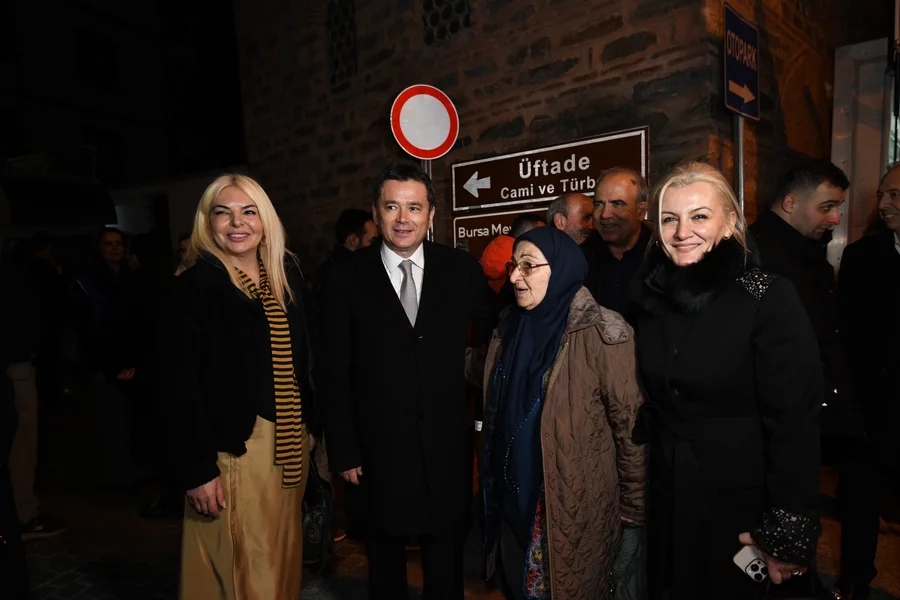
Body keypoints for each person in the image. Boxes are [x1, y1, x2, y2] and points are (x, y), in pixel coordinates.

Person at [633, 162, 823, 599]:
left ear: (730, 222)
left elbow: (795, 423)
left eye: (699, 216)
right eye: (669, 218)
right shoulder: (653, 299)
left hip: (741, 505)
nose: (683, 231)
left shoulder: (766, 295)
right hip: (670, 494)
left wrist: (786, 532)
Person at [320, 163, 497, 599]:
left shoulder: (460, 269)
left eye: (414, 207)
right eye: (392, 207)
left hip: (445, 446)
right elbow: (332, 368)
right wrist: (343, 447)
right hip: (376, 449)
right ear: (376, 213)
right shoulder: (344, 277)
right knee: (384, 563)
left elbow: (500, 328)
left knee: (445, 559)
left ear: (431, 215)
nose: (403, 218)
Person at [166, 174, 318, 599]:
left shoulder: (285, 278)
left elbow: (304, 360)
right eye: (224, 212)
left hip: (287, 448)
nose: (238, 222)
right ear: (207, 222)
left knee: (280, 561)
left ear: (265, 219)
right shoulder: (194, 288)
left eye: (249, 211)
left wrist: (307, 423)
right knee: (241, 570)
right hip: (232, 452)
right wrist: (197, 469)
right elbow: (179, 386)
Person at [480, 226, 647, 600]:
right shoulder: (508, 327)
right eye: (512, 266)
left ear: (561, 268)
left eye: (528, 266)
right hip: (511, 502)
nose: (515, 277)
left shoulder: (602, 333)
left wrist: (634, 512)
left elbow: (630, 430)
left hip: (569, 508)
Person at [748, 161, 869, 597]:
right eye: (827, 207)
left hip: (815, 408)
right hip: (776, 418)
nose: (835, 218)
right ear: (790, 202)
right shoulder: (755, 254)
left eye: (838, 207)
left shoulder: (809, 253)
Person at [835, 163, 900, 600]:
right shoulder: (861, 256)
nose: (883, 204)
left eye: (894, 194)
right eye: (881, 195)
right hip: (869, 409)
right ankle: (854, 582)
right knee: (860, 504)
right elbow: (846, 334)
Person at [71, 228, 151, 491]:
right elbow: (87, 332)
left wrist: (136, 363)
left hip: (133, 367)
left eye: (118, 243)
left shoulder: (133, 280)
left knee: (134, 426)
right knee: (111, 427)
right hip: (104, 367)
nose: (114, 248)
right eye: (109, 244)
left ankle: (134, 477)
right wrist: (108, 366)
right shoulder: (86, 284)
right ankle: (116, 483)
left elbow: (141, 325)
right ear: (99, 248)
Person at [581, 167, 652, 324]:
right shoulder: (579, 260)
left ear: (641, 211)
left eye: (617, 204)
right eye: (599, 204)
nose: (605, 214)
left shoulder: (664, 256)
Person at [481, 213, 545, 296]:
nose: (546, 240)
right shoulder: (523, 258)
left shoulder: (491, 252)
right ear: (527, 232)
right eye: (542, 234)